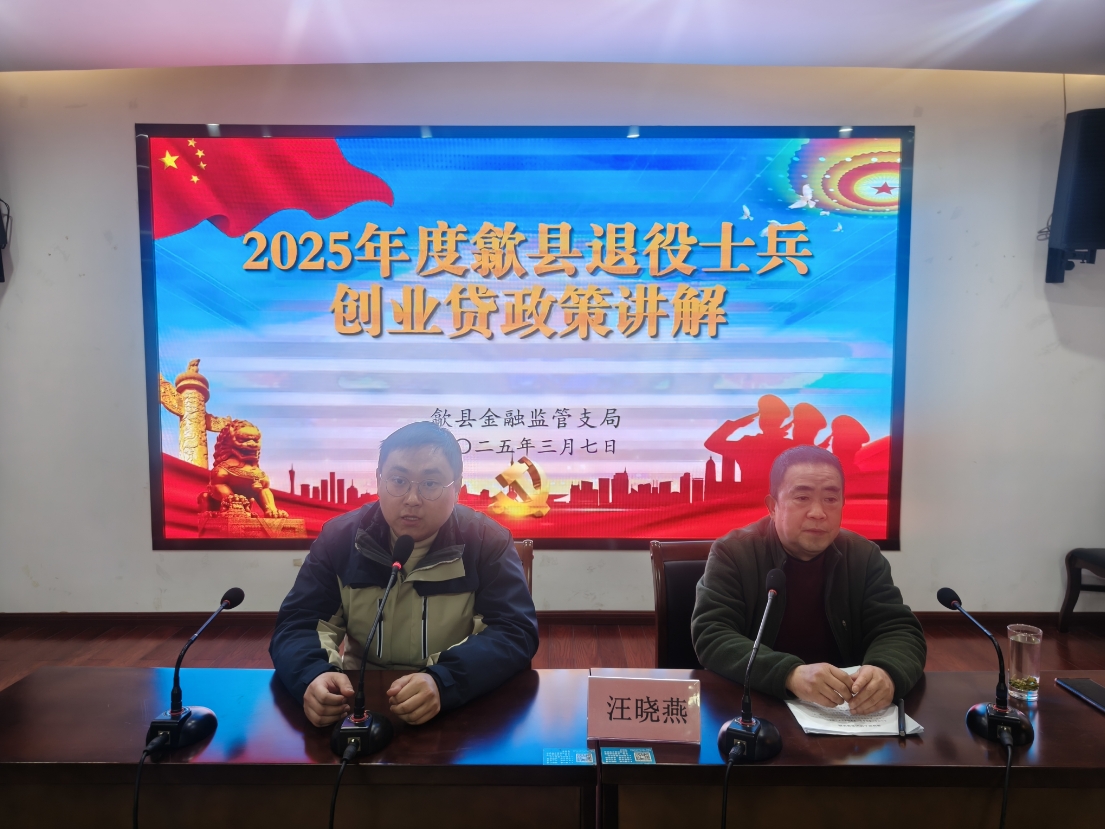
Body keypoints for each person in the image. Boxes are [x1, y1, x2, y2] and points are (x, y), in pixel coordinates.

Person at [270, 421, 539, 728]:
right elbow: (298, 623)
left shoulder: (486, 541)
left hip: (457, 701)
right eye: (398, 481)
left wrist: (444, 680)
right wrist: (313, 676)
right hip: (360, 698)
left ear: (457, 488)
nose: (412, 499)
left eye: (430, 484)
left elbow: (513, 631)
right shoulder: (341, 538)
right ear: (379, 480)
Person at [690, 445, 925, 714]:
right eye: (802, 497)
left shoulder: (863, 556)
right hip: (758, 705)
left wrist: (886, 672)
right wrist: (789, 674)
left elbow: (899, 629)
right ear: (773, 507)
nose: (818, 512)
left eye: (831, 499)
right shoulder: (733, 552)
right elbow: (713, 633)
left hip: (844, 710)